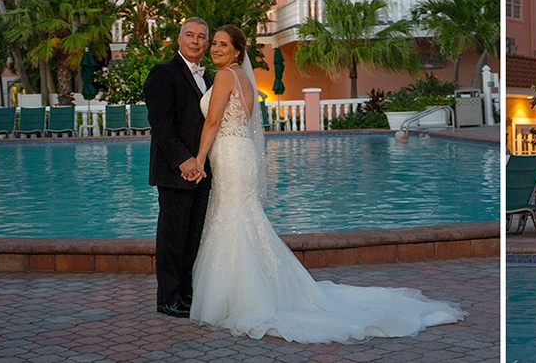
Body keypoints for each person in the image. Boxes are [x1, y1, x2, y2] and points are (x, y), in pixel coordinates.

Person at [187, 25, 466, 344]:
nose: (216, 49)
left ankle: (240, 296)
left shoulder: (224, 77)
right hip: (241, 155)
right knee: (243, 218)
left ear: (238, 50)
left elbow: (212, 121)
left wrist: (198, 159)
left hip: (230, 155)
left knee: (234, 218)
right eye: (215, 44)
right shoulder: (245, 78)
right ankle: (257, 288)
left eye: (223, 44)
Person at [143, 17, 213, 318]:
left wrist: (201, 163)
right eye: (190, 35)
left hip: (202, 172)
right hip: (175, 171)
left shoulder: (210, 78)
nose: (195, 41)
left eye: (201, 37)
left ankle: (186, 294)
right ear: (179, 38)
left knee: (191, 237)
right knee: (172, 237)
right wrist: (184, 160)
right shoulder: (163, 73)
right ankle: (167, 298)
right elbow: (160, 123)